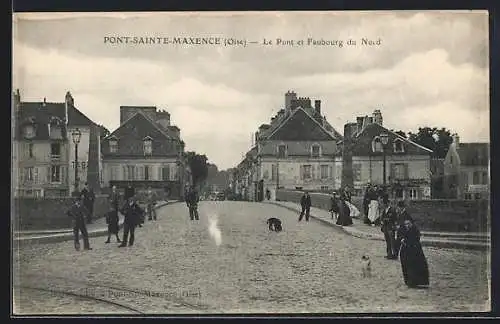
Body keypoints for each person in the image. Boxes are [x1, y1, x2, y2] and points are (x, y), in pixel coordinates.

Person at [396, 204, 429, 288]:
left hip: (414, 250)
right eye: (406, 224)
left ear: (411, 223)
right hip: (405, 249)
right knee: (406, 265)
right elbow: (399, 234)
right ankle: (408, 280)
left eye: (408, 224)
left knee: (414, 265)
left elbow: (416, 239)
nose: (407, 225)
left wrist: (407, 241)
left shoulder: (414, 229)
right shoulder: (403, 228)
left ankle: (416, 281)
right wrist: (401, 239)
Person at [380, 195, 398, 259]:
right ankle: (389, 254)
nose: (384, 205)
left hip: (390, 227)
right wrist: (382, 222)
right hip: (385, 227)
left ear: (388, 203)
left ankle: (394, 254)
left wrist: (394, 226)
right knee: (387, 241)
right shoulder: (384, 210)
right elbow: (382, 218)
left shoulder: (392, 210)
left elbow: (395, 219)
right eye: (383, 204)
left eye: (385, 203)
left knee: (392, 241)